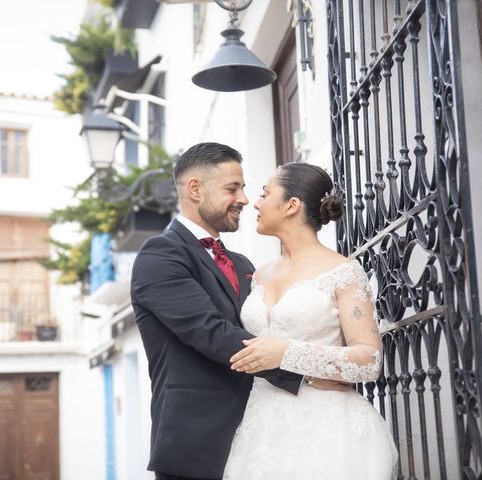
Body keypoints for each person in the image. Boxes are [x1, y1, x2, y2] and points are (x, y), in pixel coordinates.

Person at [130, 143, 347, 480]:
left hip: (263, 436)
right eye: (233, 188)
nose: (245, 199)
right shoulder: (159, 256)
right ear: (195, 189)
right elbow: (209, 332)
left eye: (245, 188)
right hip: (198, 442)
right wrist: (305, 372)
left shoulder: (244, 265)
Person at [222, 162, 398, 479]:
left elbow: (369, 360)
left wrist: (287, 353)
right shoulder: (259, 274)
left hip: (327, 429)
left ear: (292, 205)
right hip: (261, 429)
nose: (255, 203)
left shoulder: (343, 273)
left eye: (264, 194)